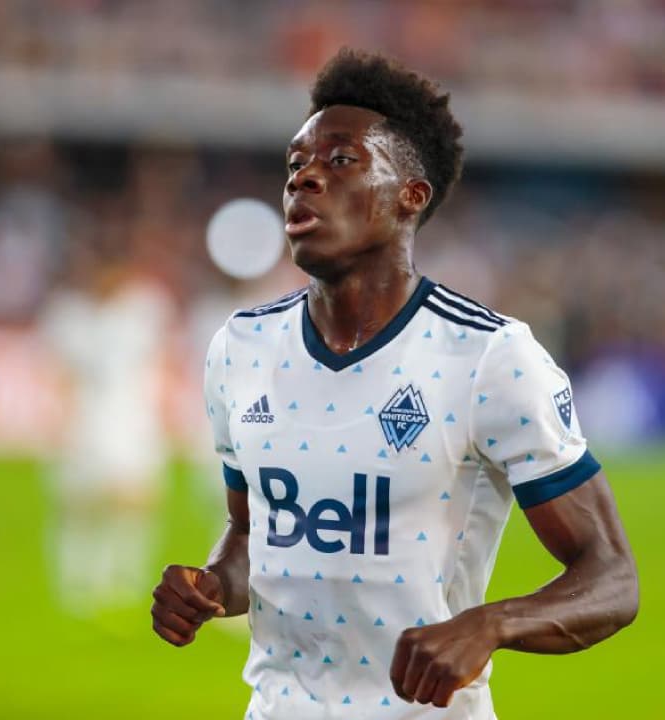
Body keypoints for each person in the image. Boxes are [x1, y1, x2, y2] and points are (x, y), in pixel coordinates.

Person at [151, 49, 639, 718]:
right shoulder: (240, 349)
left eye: (341, 160)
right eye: (296, 165)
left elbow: (612, 576)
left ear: (411, 196)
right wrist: (209, 585)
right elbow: (250, 535)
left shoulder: (489, 358)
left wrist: (491, 624)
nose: (306, 180)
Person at [40, 224, 173, 617]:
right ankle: (77, 581)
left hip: (132, 420)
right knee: (80, 507)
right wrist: (59, 425)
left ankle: (123, 578)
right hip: (84, 422)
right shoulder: (69, 315)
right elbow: (61, 376)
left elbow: (160, 364)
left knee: (133, 504)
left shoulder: (144, 309)